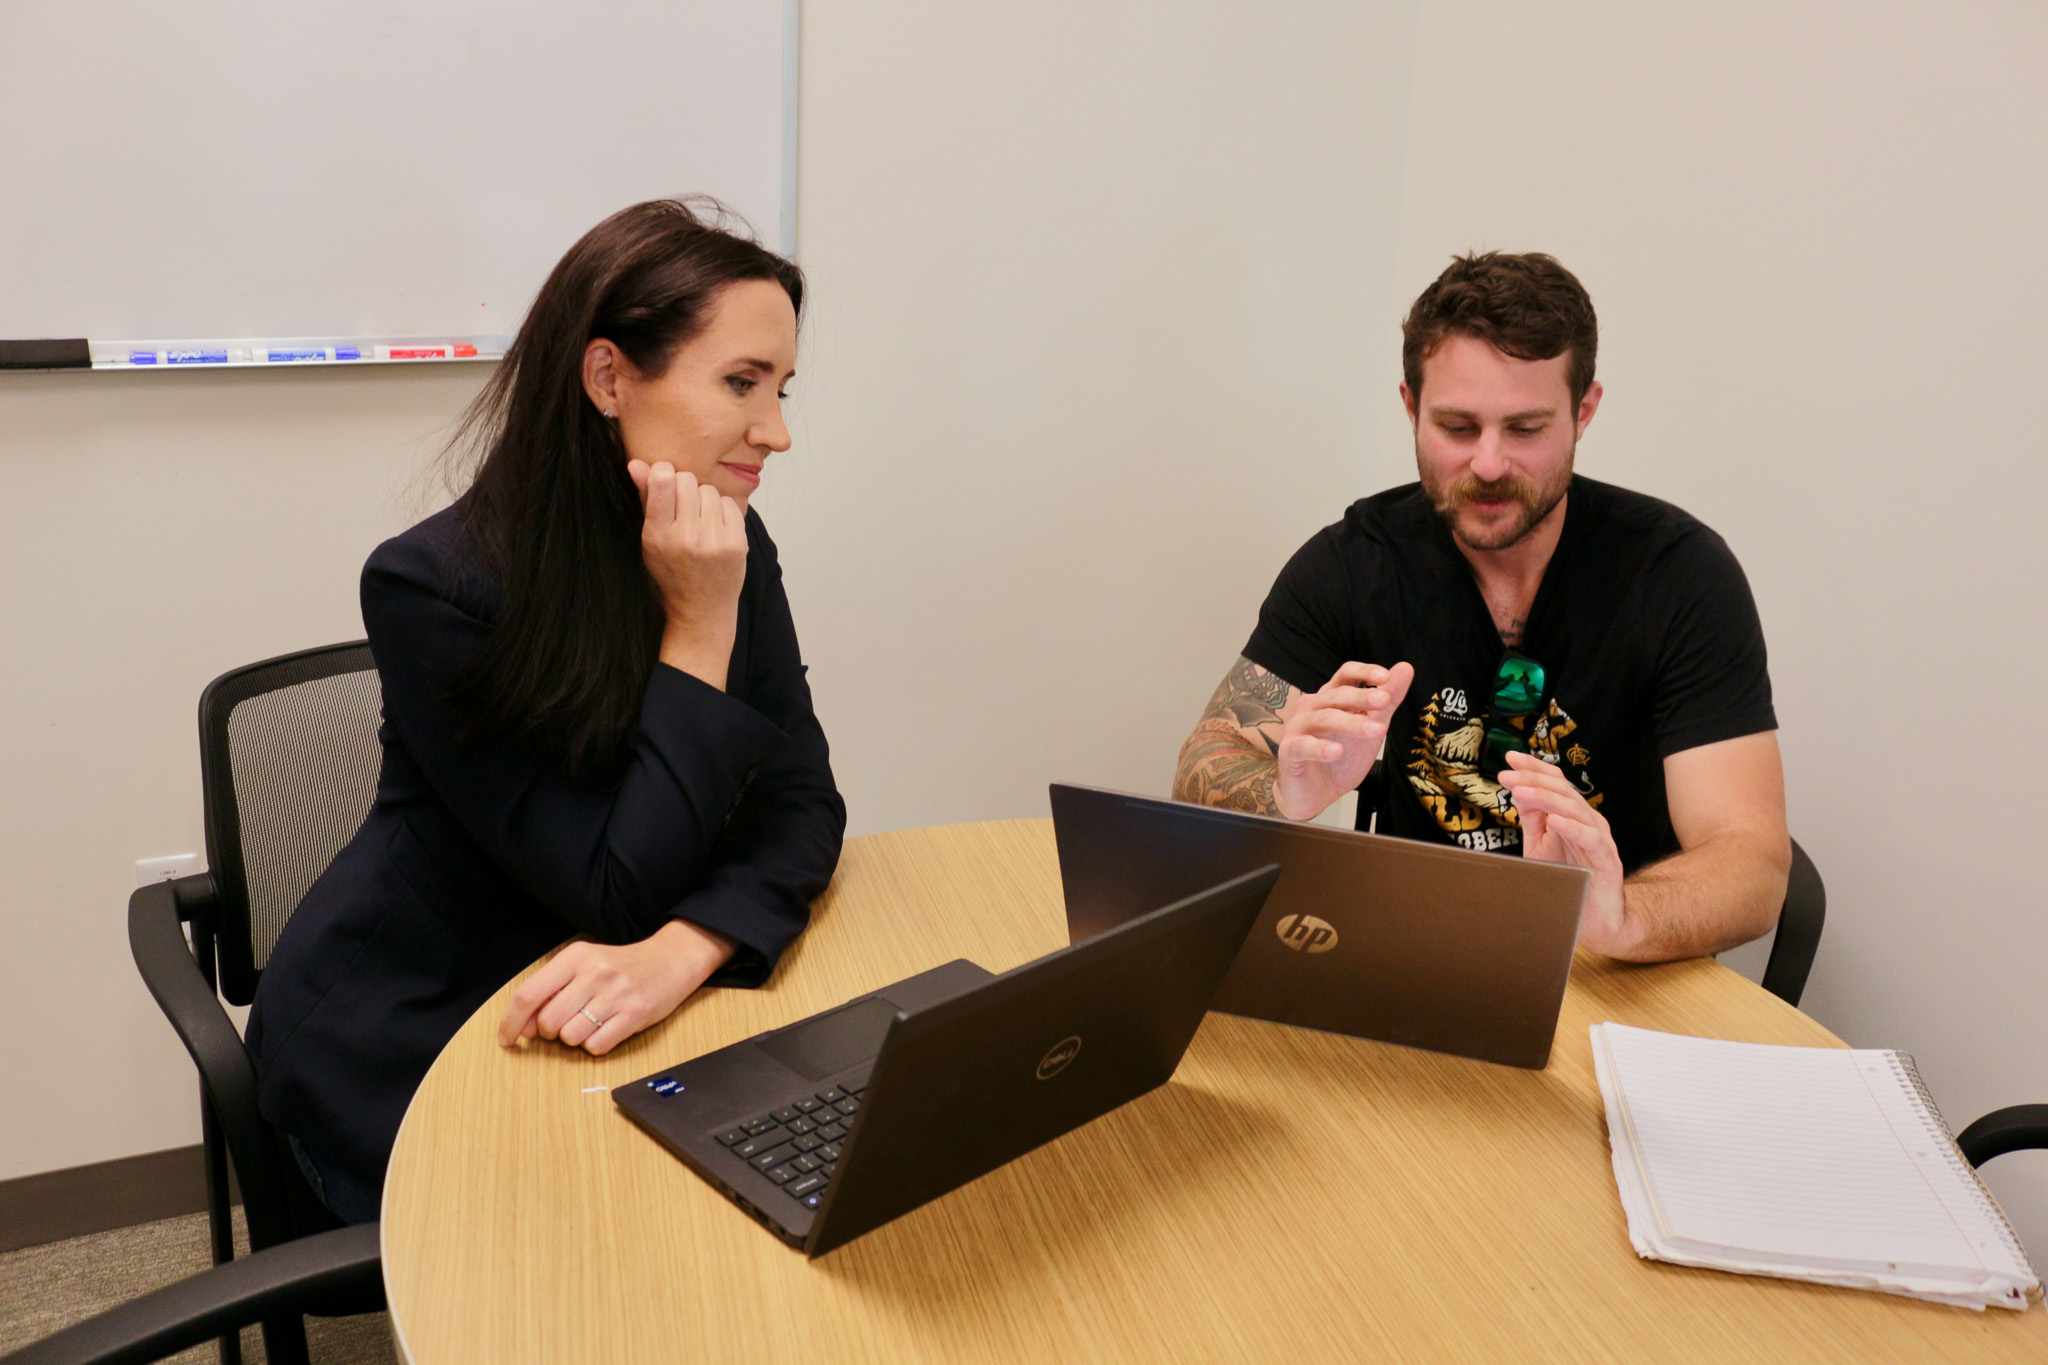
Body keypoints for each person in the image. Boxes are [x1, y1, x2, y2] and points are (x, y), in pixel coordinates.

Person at [247, 199, 846, 1224]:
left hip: (629, 994)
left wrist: (688, 946)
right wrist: (698, 631)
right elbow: (608, 888)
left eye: (782, 388)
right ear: (609, 377)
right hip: (425, 1024)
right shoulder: (431, 585)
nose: (777, 432)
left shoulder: (725, 543)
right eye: (742, 384)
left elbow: (802, 807)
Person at [1172, 251, 1787, 964]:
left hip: (1617, 973)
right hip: (1415, 957)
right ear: (1410, 406)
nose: (1489, 464)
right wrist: (1285, 790)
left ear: (1583, 412)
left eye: (1525, 429)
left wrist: (1621, 917)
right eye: (1457, 427)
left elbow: (1753, 863)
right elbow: (1206, 759)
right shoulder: (1352, 565)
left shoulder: (1679, 575)